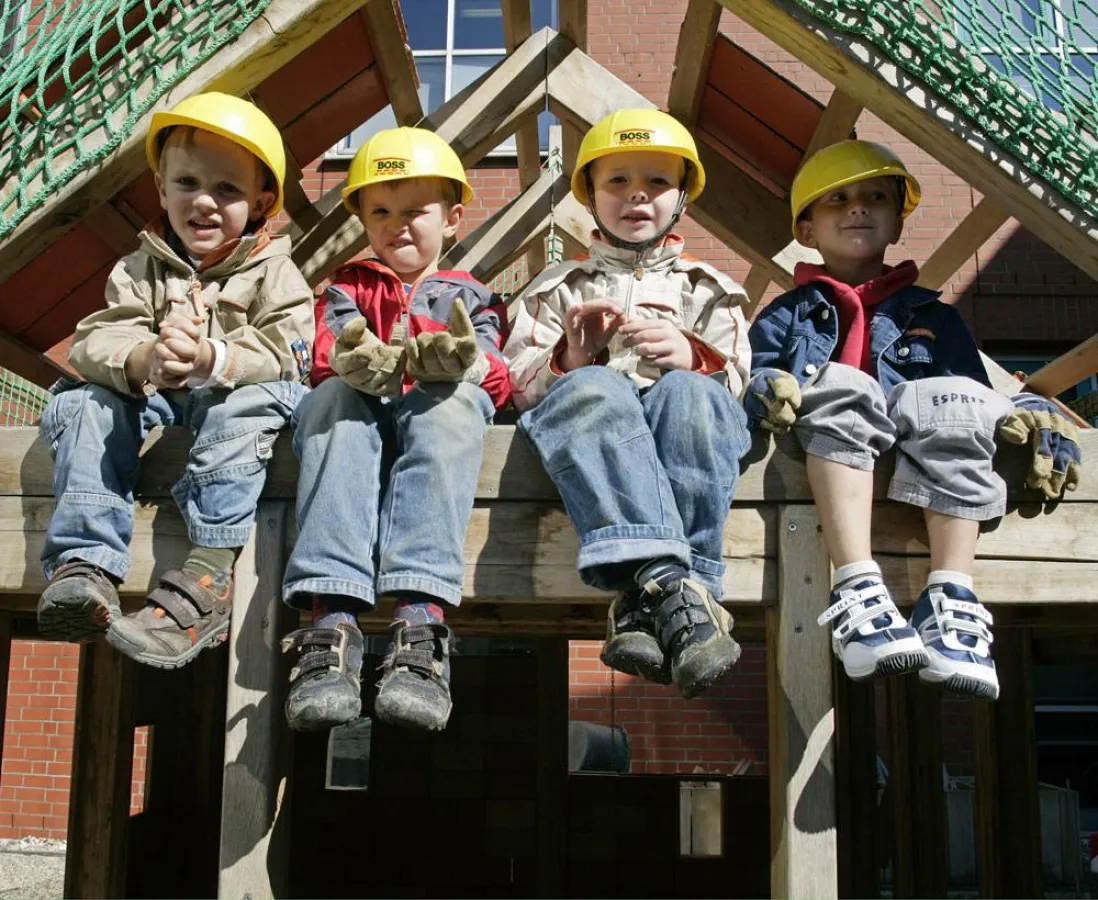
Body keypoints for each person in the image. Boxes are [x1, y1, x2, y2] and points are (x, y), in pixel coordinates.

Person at [748, 139, 1082, 701]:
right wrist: (767, 387)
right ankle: (855, 584)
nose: (858, 208)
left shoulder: (935, 316)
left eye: (875, 197)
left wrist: (1031, 409)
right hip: (829, 452)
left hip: (914, 455)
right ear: (805, 229)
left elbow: (976, 393)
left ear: (898, 222)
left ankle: (951, 594)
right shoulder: (787, 314)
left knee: (950, 395)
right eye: (838, 200)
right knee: (844, 383)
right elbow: (757, 377)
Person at [37, 92, 314, 669]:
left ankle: (210, 573)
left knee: (244, 405)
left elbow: (289, 352)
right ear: (162, 189)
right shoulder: (141, 267)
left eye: (228, 191)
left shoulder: (277, 272)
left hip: (234, 406)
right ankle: (85, 564)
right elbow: (95, 339)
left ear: (261, 204)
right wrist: (145, 360)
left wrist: (215, 359)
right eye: (187, 183)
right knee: (86, 401)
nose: (204, 202)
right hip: (161, 403)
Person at [505, 109, 751, 699]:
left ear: (682, 198)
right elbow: (517, 386)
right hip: (597, 432)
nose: (637, 194)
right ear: (589, 194)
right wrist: (572, 356)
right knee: (595, 388)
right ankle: (680, 589)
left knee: (691, 394)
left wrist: (695, 357)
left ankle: (647, 600)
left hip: (680, 425)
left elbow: (740, 382)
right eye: (616, 181)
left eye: (658, 182)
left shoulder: (709, 289)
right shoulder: (557, 287)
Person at [280, 127, 510, 733]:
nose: (398, 225)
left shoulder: (475, 296)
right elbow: (327, 351)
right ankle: (330, 623)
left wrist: (463, 364)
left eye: (416, 212)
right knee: (331, 399)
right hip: (360, 421)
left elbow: (496, 375)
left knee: (451, 404)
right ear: (360, 218)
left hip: (430, 427)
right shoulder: (347, 287)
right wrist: (353, 362)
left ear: (453, 218)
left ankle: (419, 619)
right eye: (380, 211)